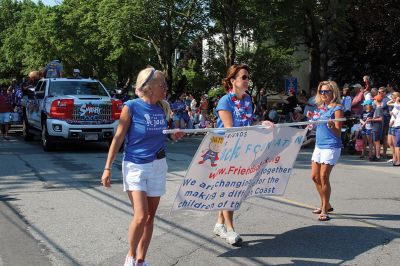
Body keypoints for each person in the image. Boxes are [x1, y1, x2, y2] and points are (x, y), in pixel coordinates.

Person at [101, 67, 184, 266]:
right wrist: (107, 168)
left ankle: (141, 260)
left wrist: (173, 135)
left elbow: (162, 134)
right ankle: (130, 257)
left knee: (149, 217)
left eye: (165, 84)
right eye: (161, 84)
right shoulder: (131, 107)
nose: (165, 87)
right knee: (140, 216)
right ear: (148, 87)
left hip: (158, 165)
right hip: (136, 167)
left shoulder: (162, 107)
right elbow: (119, 137)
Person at [212, 64, 273, 245]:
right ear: (233, 80)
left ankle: (219, 224)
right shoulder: (225, 101)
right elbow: (230, 129)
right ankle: (230, 230)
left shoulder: (248, 100)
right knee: (229, 189)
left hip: (242, 148)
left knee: (232, 188)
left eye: (248, 77)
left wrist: (262, 123)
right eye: (244, 77)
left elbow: (249, 122)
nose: (247, 80)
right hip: (225, 149)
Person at [310, 80, 343, 221]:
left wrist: (331, 125)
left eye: (326, 91)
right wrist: (312, 120)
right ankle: (326, 203)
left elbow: (338, 131)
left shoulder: (337, 108)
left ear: (333, 93)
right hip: (319, 145)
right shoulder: (319, 108)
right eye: (321, 91)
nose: (323, 94)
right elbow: (315, 128)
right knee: (314, 177)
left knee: (324, 177)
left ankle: (324, 209)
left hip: (331, 146)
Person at [370, 95, 384, 161]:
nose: (373, 101)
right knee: (375, 142)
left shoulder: (379, 108)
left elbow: (380, 118)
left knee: (377, 142)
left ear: (376, 100)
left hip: (377, 127)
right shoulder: (377, 108)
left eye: (374, 100)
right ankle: (375, 155)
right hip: (375, 127)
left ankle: (378, 156)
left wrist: (372, 120)